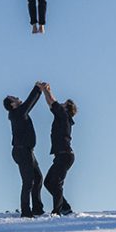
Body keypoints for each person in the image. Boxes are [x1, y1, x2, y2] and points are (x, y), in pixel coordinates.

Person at [4, 82, 46, 217]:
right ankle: (26, 212)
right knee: (28, 182)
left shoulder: (18, 113)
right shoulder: (17, 113)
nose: (17, 97)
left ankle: (37, 209)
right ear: (12, 104)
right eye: (14, 98)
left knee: (38, 178)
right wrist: (38, 88)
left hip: (27, 151)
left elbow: (28, 105)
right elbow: (30, 103)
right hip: (22, 151)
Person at [39, 82, 77, 216]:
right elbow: (51, 104)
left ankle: (58, 210)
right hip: (61, 156)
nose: (61, 103)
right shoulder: (62, 116)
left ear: (67, 108)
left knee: (56, 183)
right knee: (49, 182)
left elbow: (52, 102)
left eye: (64, 103)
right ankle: (64, 207)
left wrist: (46, 90)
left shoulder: (64, 115)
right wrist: (47, 91)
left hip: (65, 155)